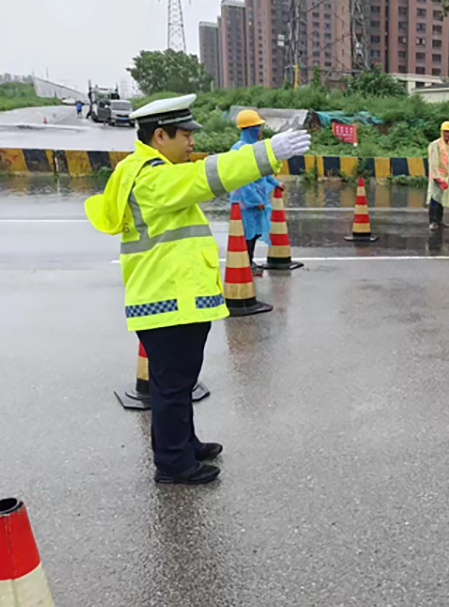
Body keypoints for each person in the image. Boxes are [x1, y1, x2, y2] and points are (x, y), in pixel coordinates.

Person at [84, 94, 310, 485]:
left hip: (173, 300)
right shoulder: (151, 176)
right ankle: (173, 464)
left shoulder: (148, 169)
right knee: (172, 387)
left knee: (177, 382)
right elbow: (205, 176)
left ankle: (184, 443)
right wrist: (266, 153)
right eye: (184, 134)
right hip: (167, 301)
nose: (191, 142)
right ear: (160, 136)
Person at [230, 110, 281, 276]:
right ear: (251, 129)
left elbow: (262, 172)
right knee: (247, 234)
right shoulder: (240, 150)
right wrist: (255, 200)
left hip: (255, 200)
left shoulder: (253, 148)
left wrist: (275, 183)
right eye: (258, 127)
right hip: (245, 202)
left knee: (254, 232)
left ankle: (249, 262)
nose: (260, 131)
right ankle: (246, 264)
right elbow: (243, 180)